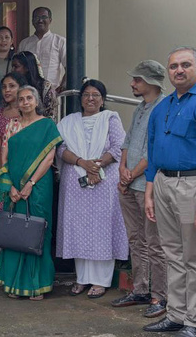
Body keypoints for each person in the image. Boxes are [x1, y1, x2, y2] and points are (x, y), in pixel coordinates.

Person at [142, 47, 196, 337]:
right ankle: (176, 315)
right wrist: (150, 191)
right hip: (164, 183)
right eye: (173, 66)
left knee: (194, 256)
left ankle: (195, 322)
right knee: (172, 254)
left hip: (193, 185)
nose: (178, 70)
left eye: (185, 65)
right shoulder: (163, 107)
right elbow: (153, 152)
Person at [56, 79, 128, 299]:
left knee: (101, 227)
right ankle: (82, 278)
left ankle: (101, 281)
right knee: (79, 228)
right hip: (76, 180)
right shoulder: (68, 121)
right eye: (86, 95)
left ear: (102, 99)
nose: (90, 99)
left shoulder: (110, 119)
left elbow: (118, 147)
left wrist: (96, 166)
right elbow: (60, 149)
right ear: (80, 99)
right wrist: (81, 163)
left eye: (95, 95)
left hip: (103, 181)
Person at [111, 60, 168, 318]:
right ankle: (141, 289)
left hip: (147, 185)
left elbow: (153, 150)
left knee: (154, 242)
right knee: (136, 239)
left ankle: (160, 297)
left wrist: (130, 174)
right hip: (129, 183)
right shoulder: (140, 107)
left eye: (138, 80)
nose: (133, 83)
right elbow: (127, 140)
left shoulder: (163, 108)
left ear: (152, 83)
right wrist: (122, 171)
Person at [0, 86, 61, 300]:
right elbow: (4, 159)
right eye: (21, 99)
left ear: (36, 100)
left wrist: (31, 182)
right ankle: (13, 284)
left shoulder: (47, 125)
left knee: (37, 231)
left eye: (29, 98)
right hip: (13, 187)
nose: (25, 102)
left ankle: (36, 285)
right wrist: (11, 187)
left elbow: (49, 158)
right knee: (15, 231)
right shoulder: (12, 126)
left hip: (39, 186)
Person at [0, 72, 27, 275]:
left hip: (26, 174)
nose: (7, 90)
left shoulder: (27, 114)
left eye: (12, 86)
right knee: (2, 216)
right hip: (4, 174)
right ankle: (3, 262)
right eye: (4, 87)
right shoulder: (0, 114)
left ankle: (20, 264)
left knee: (22, 218)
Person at [18, 7, 66, 92]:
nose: (40, 20)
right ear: (32, 21)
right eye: (36, 18)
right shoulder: (24, 44)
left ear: (50, 20)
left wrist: (62, 86)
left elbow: (69, 68)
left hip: (52, 93)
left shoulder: (60, 41)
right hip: (28, 94)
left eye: (44, 17)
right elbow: (18, 69)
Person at [11, 51, 58, 121]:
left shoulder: (45, 86)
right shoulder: (14, 86)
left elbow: (51, 113)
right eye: (12, 67)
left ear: (27, 68)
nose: (13, 70)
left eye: (16, 66)